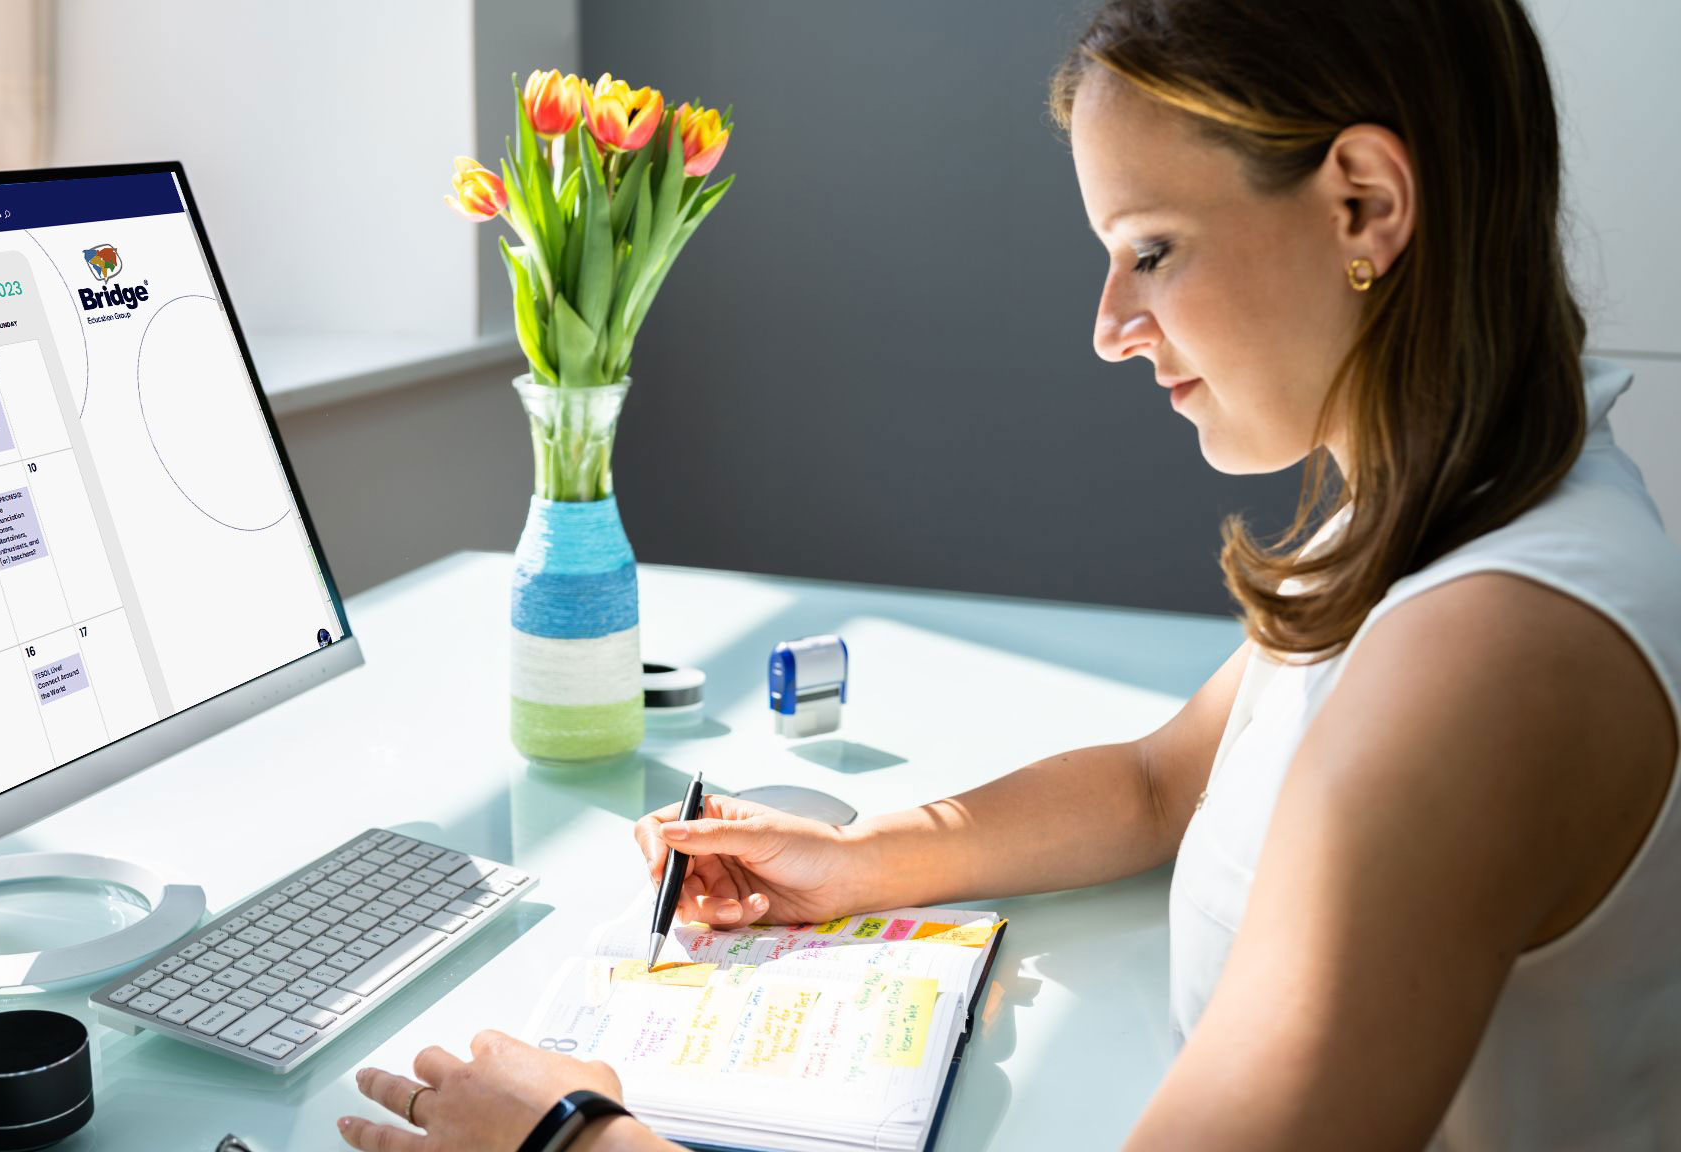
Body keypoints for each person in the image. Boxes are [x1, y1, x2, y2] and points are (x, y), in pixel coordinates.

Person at [338, 0, 1681, 1148]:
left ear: (1365, 206)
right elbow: (1167, 780)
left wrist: (580, 1134)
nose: (1109, 328)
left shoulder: (1488, 654)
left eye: (1151, 247)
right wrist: (861, 860)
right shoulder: (1442, 501)